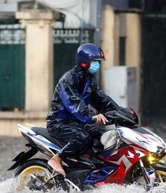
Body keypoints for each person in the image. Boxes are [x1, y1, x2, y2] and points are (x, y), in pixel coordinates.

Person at [46, 43, 123, 176]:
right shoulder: (68, 79)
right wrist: (92, 116)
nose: (97, 65)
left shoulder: (89, 80)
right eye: (94, 61)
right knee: (82, 137)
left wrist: (121, 112)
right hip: (59, 122)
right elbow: (74, 103)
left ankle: (90, 168)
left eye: (98, 62)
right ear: (84, 61)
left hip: (77, 122)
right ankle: (56, 159)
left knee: (102, 134)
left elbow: (102, 99)